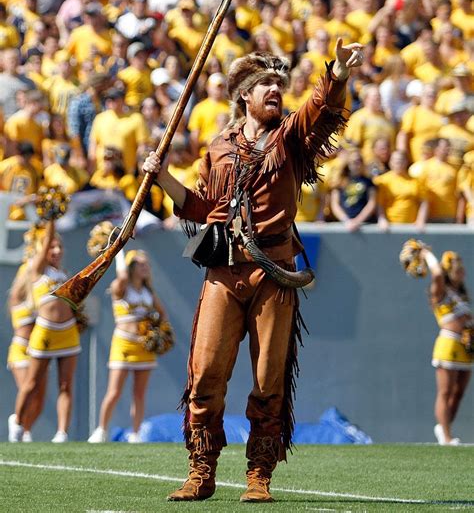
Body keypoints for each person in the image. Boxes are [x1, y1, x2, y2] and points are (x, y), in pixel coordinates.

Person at [143, 39, 364, 502]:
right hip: (224, 271)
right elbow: (203, 207)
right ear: (244, 94)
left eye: (278, 85)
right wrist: (162, 178)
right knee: (204, 374)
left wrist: (337, 75)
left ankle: (258, 475)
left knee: (269, 378)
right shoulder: (219, 146)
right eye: (264, 83)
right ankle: (201, 470)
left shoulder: (291, 137)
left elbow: (322, 109)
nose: (275, 90)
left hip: (274, 274)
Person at [8, 217, 82, 443]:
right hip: (45, 332)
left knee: (66, 384)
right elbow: (48, 237)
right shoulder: (37, 270)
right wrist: (51, 218)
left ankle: (62, 433)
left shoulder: (63, 273)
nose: (57, 250)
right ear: (42, 250)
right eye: (52, 247)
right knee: (32, 385)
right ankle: (18, 424)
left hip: (68, 332)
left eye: (59, 247)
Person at [88, 249, 169, 443]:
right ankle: (101, 430)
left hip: (144, 347)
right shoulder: (122, 288)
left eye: (147, 264)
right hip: (123, 342)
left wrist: (159, 331)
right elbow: (122, 276)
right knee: (114, 391)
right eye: (140, 264)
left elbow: (163, 314)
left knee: (139, 393)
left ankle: (135, 432)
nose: (145, 267)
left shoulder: (148, 291)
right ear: (131, 267)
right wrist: (119, 250)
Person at [419, 246, 472, 444]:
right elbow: (438, 273)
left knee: (458, 393)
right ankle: (447, 437)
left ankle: (443, 428)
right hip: (449, 342)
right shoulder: (439, 290)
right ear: (449, 272)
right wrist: (426, 254)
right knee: (445, 391)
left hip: (466, 345)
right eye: (458, 270)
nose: (463, 273)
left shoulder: (461, 294)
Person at [6, 233, 45, 442]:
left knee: (39, 398)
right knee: (28, 388)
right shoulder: (17, 300)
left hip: (39, 349)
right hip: (21, 348)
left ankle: (26, 430)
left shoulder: (40, 294)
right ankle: (18, 424)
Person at [330, 151, 377, 232]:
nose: (357, 164)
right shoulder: (340, 181)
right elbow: (335, 204)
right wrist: (346, 221)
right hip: (343, 224)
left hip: (364, 225)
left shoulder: (369, 182)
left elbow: (371, 203)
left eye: (360, 161)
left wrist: (357, 221)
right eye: (354, 161)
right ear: (348, 163)